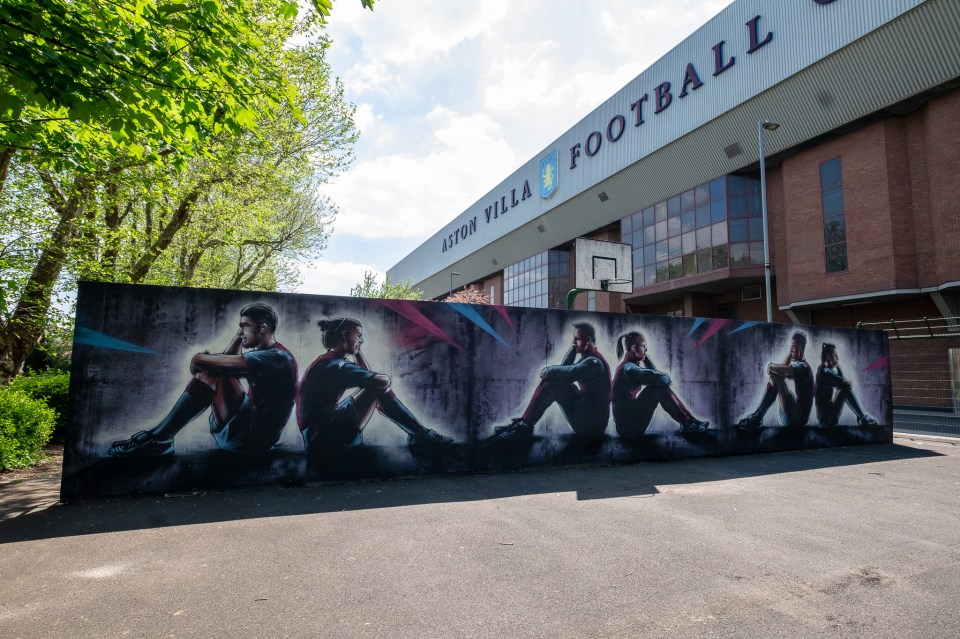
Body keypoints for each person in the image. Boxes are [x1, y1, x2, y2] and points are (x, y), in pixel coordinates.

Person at [108, 303, 298, 457]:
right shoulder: (267, 354)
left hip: (251, 439)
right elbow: (226, 363)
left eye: (245, 326)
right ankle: (159, 438)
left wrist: (198, 359)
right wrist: (240, 337)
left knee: (212, 372)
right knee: (216, 370)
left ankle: (159, 439)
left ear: (263, 328)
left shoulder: (276, 357)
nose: (240, 331)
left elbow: (219, 364)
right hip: (248, 428)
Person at [296, 317, 454, 451]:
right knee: (377, 386)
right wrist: (373, 374)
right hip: (323, 439)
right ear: (344, 335)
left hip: (315, 433)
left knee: (373, 384)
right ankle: (420, 434)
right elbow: (381, 381)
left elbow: (366, 377)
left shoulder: (329, 362)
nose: (361, 340)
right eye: (358, 335)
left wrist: (356, 352)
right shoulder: (337, 366)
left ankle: (419, 434)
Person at [491, 321, 611, 441]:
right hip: (588, 416)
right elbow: (563, 373)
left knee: (552, 386)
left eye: (577, 339)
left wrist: (548, 370)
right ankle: (524, 423)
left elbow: (569, 373)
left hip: (591, 425)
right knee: (553, 383)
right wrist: (573, 349)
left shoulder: (594, 363)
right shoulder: (589, 358)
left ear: (588, 340)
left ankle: (524, 426)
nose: (573, 343)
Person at [611, 331, 709, 436]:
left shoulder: (628, 365)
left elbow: (656, 379)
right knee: (659, 389)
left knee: (658, 387)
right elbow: (663, 379)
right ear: (634, 348)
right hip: (628, 428)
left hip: (627, 424)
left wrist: (647, 360)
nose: (646, 349)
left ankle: (690, 421)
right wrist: (648, 363)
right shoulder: (629, 368)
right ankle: (688, 422)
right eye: (644, 346)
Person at [737, 331, 814, 430]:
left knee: (775, 378)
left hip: (796, 419)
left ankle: (757, 417)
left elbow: (774, 370)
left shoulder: (803, 368)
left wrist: (770, 366)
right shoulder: (802, 365)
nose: (790, 349)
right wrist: (791, 353)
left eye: (792, 346)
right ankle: (757, 417)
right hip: (798, 415)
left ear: (799, 347)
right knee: (777, 376)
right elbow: (783, 370)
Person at [815, 342, 879, 427]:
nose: (838, 358)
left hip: (824, 418)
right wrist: (838, 368)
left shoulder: (823, 370)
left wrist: (838, 368)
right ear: (828, 356)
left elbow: (841, 382)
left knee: (842, 387)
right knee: (844, 389)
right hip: (825, 420)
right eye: (835, 355)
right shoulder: (826, 372)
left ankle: (861, 418)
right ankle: (862, 418)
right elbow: (847, 384)